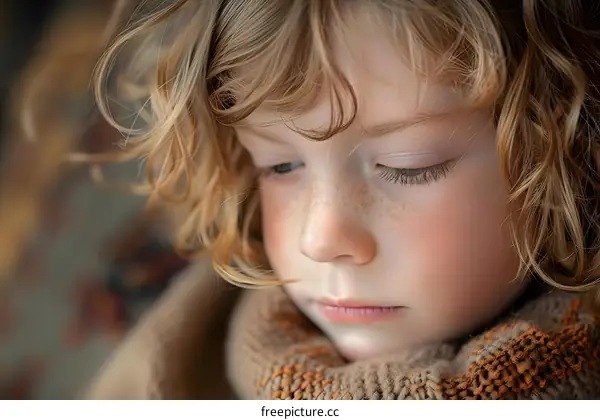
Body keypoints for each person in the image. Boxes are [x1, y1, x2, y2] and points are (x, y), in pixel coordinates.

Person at [82, 0, 600, 399]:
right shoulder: (178, 355)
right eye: (280, 166)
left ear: (564, 145)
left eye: (408, 166)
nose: (319, 239)